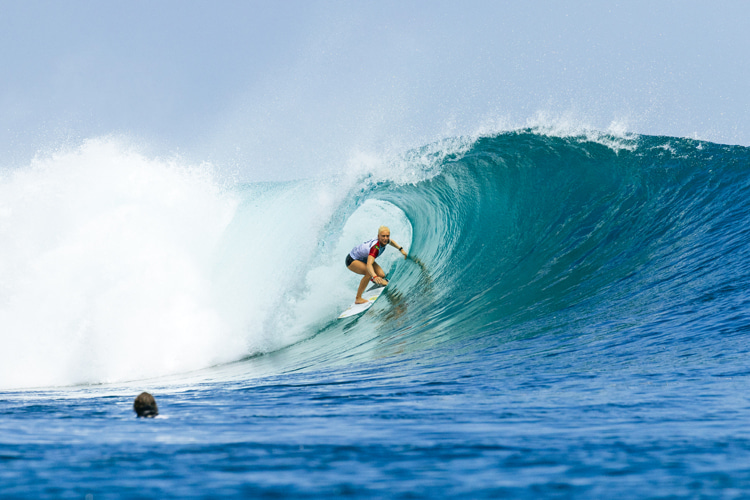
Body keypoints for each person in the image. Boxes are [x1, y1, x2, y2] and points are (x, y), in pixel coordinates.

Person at [346, 226, 407, 304]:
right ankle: (358, 298)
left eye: (387, 236)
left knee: (381, 275)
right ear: (378, 236)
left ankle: (373, 280)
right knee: (369, 273)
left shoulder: (385, 240)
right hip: (352, 259)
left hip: (363, 258)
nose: (385, 238)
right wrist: (374, 276)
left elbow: (391, 242)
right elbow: (369, 264)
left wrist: (400, 249)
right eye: (383, 236)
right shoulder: (375, 248)